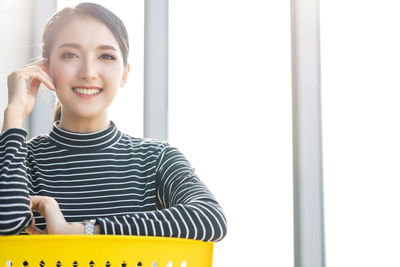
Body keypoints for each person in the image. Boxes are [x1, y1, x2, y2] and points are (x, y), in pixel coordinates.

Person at [0, 2, 227, 242]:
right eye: (70, 55)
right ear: (46, 69)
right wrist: (13, 115)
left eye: (106, 56)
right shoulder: (18, 158)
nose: (88, 72)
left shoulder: (156, 158)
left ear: (125, 73)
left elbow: (210, 218)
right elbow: (6, 223)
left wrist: (81, 231)